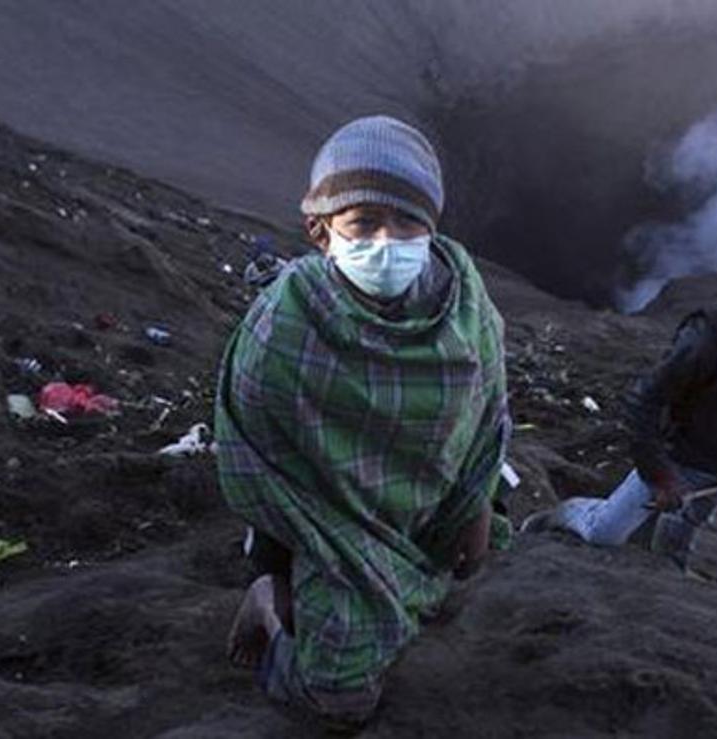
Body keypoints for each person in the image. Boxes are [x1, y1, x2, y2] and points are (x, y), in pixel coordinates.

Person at [214, 116, 510, 725]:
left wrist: (476, 506)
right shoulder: (286, 325)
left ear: (433, 225)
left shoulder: (465, 305)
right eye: (363, 223)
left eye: (408, 222)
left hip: (425, 509)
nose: (387, 241)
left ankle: (388, 576)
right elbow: (261, 456)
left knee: (464, 575)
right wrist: (284, 555)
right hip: (329, 521)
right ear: (321, 233)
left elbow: (485, 418)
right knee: (341, 702)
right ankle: (272, 605)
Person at [522, 235, 717, 574]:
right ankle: (568, 513)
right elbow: (645, 400)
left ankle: (668, 572)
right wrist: (660, 475)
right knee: (605, 533)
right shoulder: (710, 333)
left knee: (687, 526)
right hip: (681, 458)